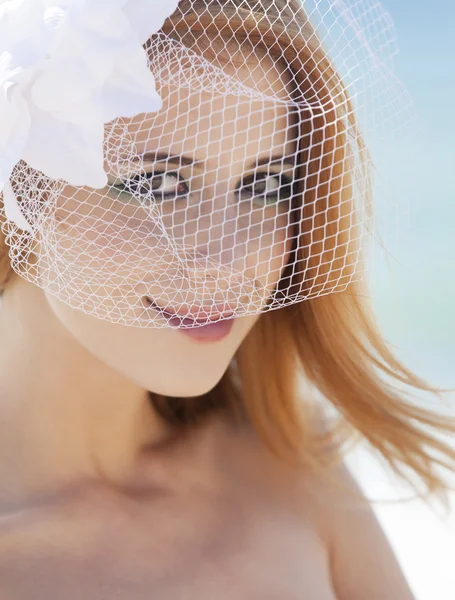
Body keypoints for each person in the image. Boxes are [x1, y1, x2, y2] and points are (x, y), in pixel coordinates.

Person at [0, 0, 453, 598]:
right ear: (19, 196)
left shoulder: (288, 461)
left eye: (266, 185)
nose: (228, 259)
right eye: (156, 184)